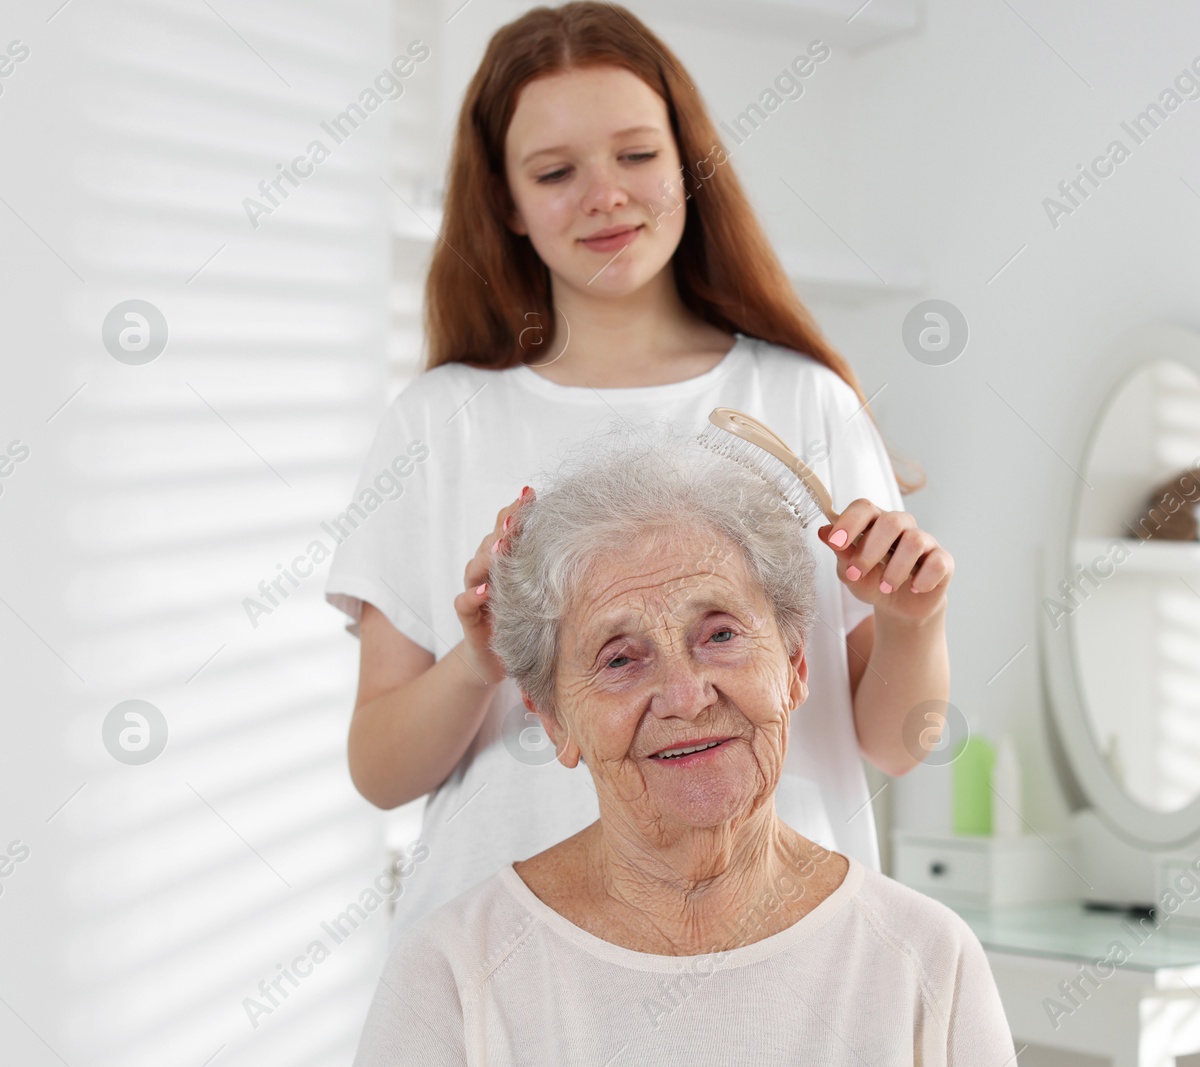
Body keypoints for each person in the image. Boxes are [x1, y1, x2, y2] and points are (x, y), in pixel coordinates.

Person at [325, 0, 954, 944]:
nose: (605, 196)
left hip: (779, 950)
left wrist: (915, 624)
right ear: (505, 201)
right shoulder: (440, 421)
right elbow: (379, 771)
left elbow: (899, 745)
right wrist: (480, 662)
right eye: (554, 171)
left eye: (636, 155)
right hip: (510, 960)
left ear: (687, 161)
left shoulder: (803, 403)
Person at [352, 430, 1008, 1065]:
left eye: (719, 635)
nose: (685, 695)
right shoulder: (454, 974)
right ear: (555, 719)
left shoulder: (925, 960)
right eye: (619, 659)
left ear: (796, 665)